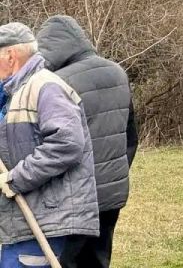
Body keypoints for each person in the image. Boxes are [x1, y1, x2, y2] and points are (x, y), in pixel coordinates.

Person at [37, 16, 138, 268]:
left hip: (73, 198)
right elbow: (131, 135)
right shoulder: (117, 72)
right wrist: (117, 172)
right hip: (112, 193)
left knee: (66, 261)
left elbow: (51, 143)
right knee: (98, 260)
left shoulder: (56, 83)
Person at [0, 21, 99, 267]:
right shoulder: (16, 91)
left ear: (10, 56)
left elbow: (67, 143)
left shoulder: (45, 86)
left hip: (43, 219)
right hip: (23, 220)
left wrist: (16, 179)